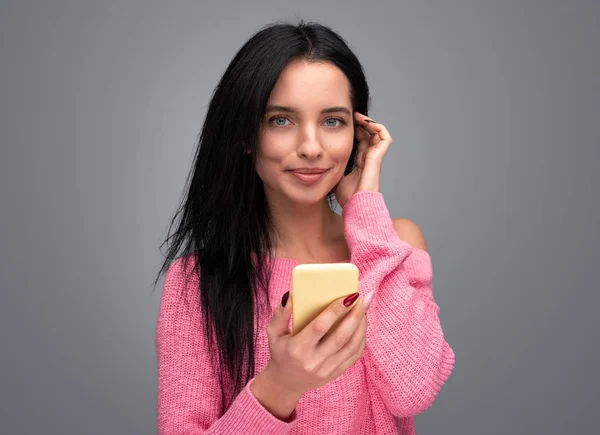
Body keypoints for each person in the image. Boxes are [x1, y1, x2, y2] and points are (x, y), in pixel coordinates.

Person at [155, 19, 455, 435]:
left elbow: (413, 391)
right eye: (281, 120)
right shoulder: (197, 280)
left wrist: (365, 211)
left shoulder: (393, 245)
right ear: (246, 134)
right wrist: (280, 386)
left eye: (332, 121)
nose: (311, 147)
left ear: (358, 134)